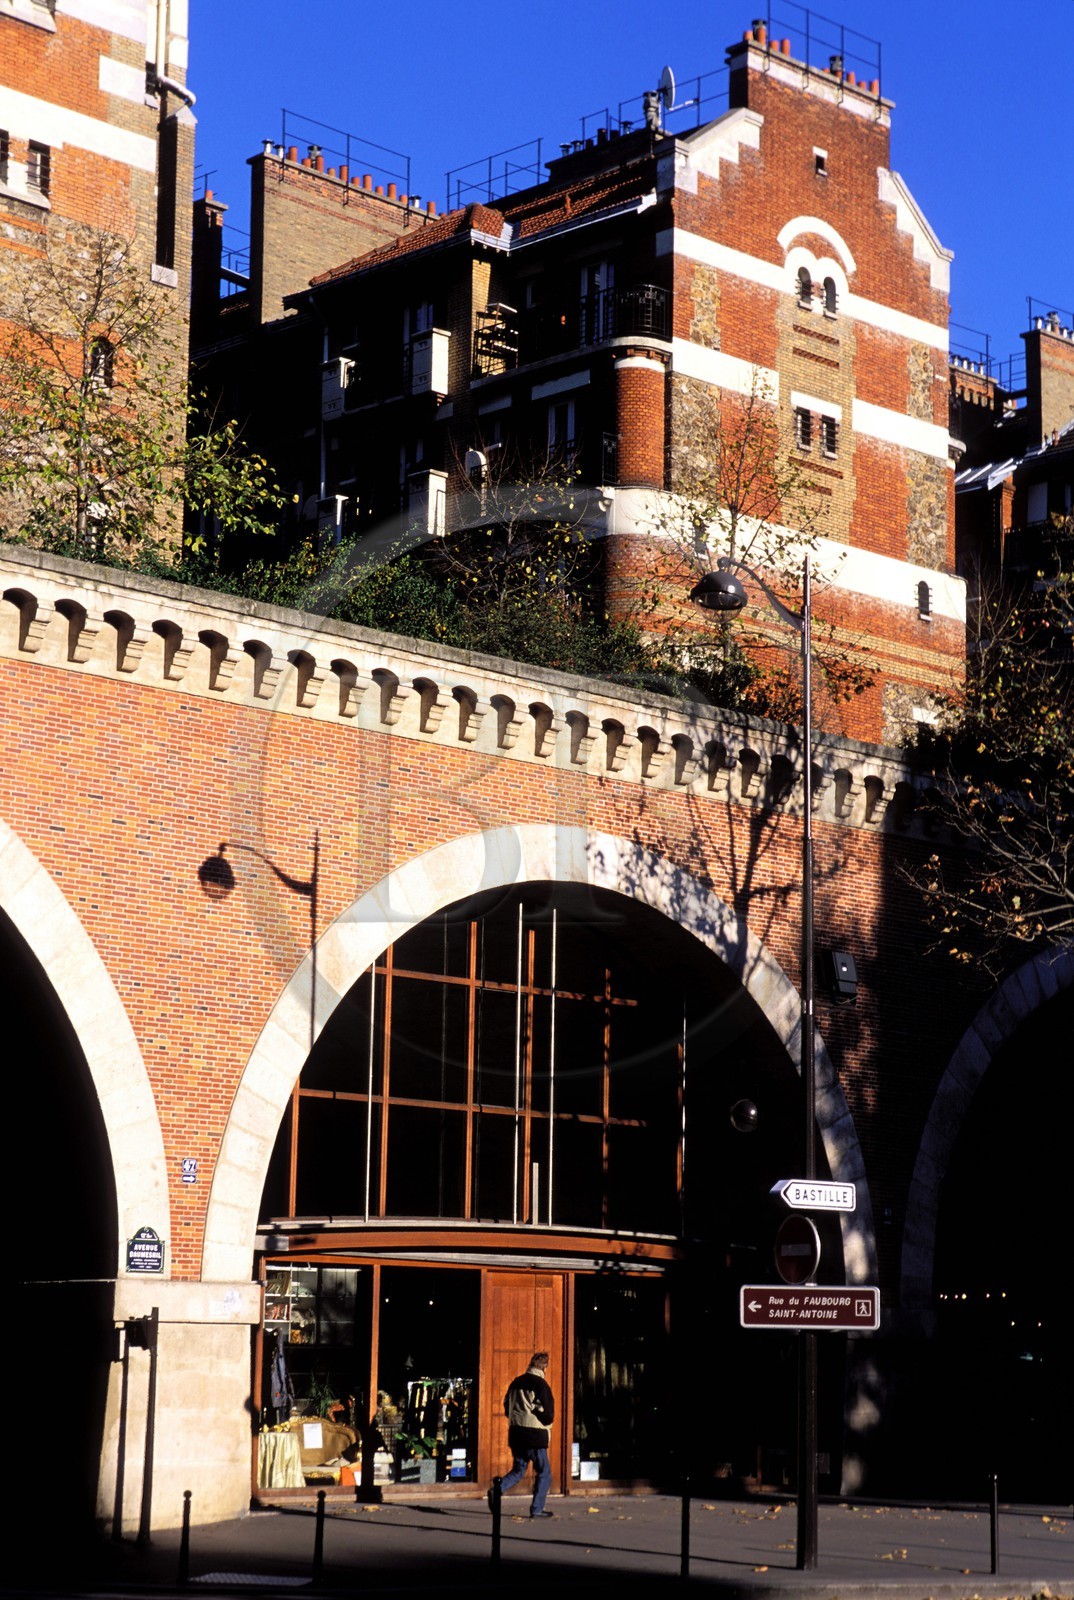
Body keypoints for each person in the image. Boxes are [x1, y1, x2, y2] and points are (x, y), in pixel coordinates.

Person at [490, 1351, 555, 1519]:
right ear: (544, 1367)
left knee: (518, 1470)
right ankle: (537, 1509)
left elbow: (506, 1406)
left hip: (516, 1433)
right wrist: (536, 1412)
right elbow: (548, 1415)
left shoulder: (516, 1382)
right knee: (544, 1472)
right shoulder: (541, 1385)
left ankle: (496, 1490)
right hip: (535, 1436)